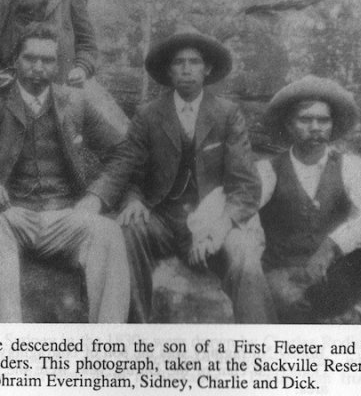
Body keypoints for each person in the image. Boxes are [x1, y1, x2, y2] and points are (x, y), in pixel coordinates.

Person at [0, 25, 129, 323]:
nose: (38, 67)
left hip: (65, 216)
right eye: (30, 58)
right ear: (16, 60)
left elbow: (124, 152)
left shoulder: (75, 102)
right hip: (9, 214)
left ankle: (109, 343)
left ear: (58, 64)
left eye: (48, 60)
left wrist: (95, 198)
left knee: (109, 233)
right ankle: (8, 341)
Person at [88, 28, 276, 323]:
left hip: (212, 217)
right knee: (127, 232)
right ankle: (133, 334)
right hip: (162, 218)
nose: (187, 69)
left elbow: (246, 184)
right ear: (169, 71)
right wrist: (134, 199)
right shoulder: (148, 114)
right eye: (179, 62)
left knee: (244, 253)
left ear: (208, 69)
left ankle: (261, 345)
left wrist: (220, 228)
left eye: (195, 62)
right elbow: (130, 167)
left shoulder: (227, 114)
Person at [258, 75, 361, 323]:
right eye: (305, 120)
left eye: (323, 120)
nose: (315, 127)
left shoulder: (349, 166)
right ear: (289, 125)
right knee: (290, 310)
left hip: (331, 279)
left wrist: (333, 245)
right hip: (284, 278)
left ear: (332, 125)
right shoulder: (268, 170)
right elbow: (237, 207)